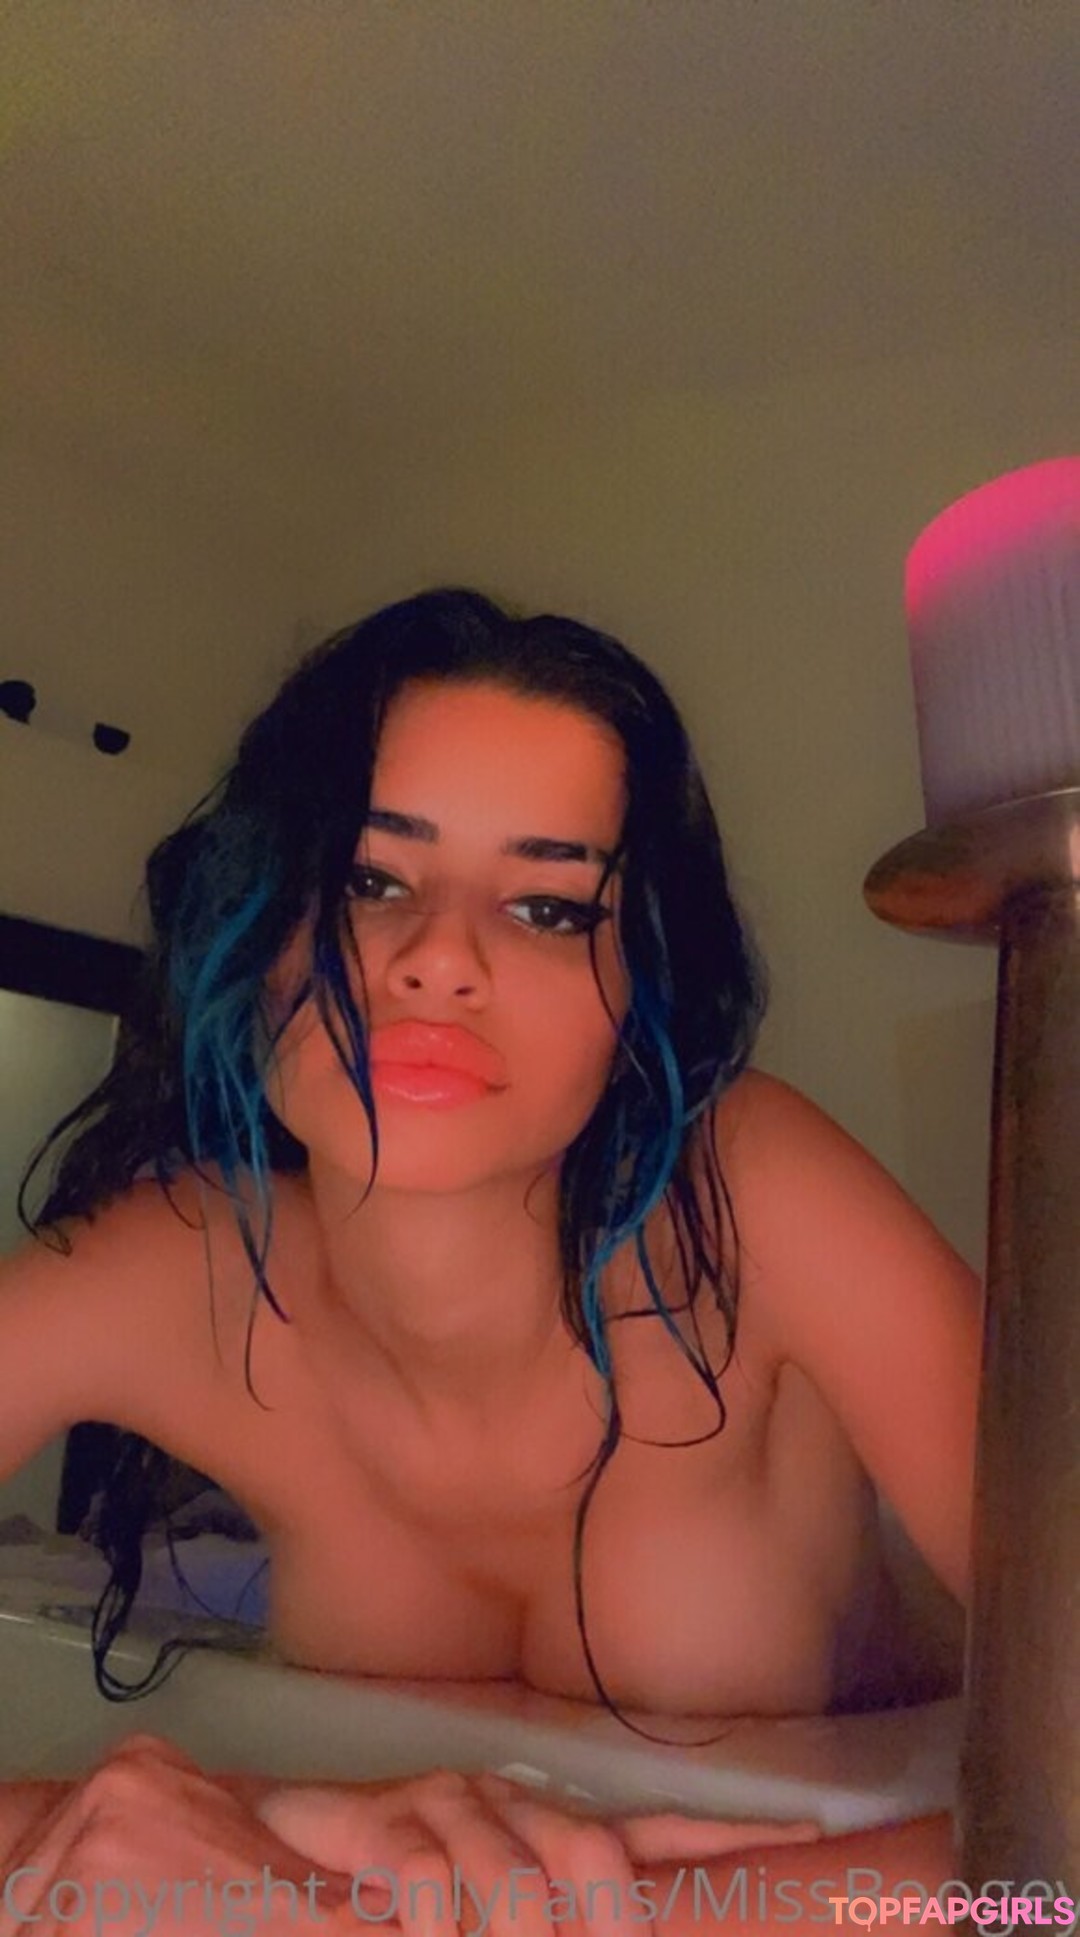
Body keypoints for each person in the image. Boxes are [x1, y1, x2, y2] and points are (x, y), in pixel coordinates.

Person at [0, 588, 982, 1928]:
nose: (440, 959)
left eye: (549, 908)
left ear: (640, 986)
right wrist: (149, 1827)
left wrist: (464, 1919)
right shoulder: (164, 1269)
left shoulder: (752, 1201)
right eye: (370, 880)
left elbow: (1038, 1891)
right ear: (258, 919)